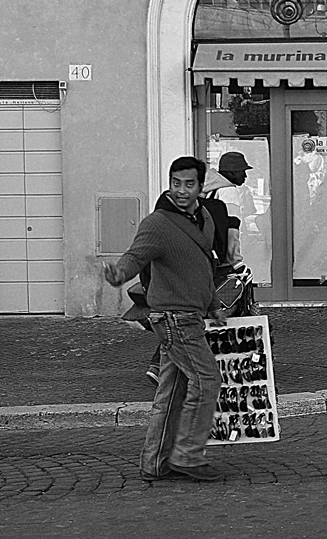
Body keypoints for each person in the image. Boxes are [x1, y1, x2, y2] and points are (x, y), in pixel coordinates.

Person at [103, 156, 226, 483]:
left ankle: (155, 462)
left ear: (201, 186)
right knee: (207, 380)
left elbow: (203, 268)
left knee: (171, 391)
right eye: (176, 183)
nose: (181, 190)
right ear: (169, 183)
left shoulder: (204, 219)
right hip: (173, 318)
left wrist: (214, 304)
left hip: (191, 315)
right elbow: (134, 257)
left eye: (189, 184)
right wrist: (118, 274)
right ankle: (187, 454)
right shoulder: (157, 223)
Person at [137, 167, 245, 384]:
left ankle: (161, 370)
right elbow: (219, 248)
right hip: (184, 287)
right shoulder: (212, 209)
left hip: (163, 287)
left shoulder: (164, 210)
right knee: (189, 328)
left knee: (174, 330)